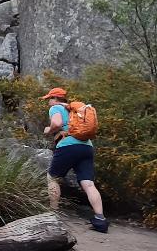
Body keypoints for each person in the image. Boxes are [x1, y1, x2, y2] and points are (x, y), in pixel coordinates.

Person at [42, 87, 108, 233]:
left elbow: (57, 123)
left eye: (49, 99)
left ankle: (53, 216)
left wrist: (49, 130)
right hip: (86, 147)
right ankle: (100, 220)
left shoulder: (55, 108)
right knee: (88, 184)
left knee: (53, 177)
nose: (48, 102)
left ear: (55, 99)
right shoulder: (73, 109)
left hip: (68, 145)